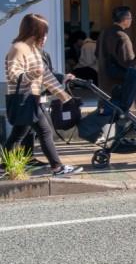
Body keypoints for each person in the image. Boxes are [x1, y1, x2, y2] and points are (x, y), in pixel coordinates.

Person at [4, 13, 81, 176]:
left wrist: (65, 97)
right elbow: (13, 75)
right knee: (44, 131)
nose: (45, 37)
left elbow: (47, 76)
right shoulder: (18, 48)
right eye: (43, 33)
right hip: (25, 99)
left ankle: (3, 167)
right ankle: (57, 167)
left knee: (17, 135)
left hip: (32, 99)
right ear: (34, 32)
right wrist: (33, 74)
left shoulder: (33, 50)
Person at [97, 6, 136, 110]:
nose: (131, 20)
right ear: (125, 20)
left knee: (108, 108)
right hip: (118, 81)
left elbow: (96, 53)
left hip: (104, 76)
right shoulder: (122, 36)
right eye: (130, 18)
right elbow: (128, 60)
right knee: (121, 112)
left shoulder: (104, 32)